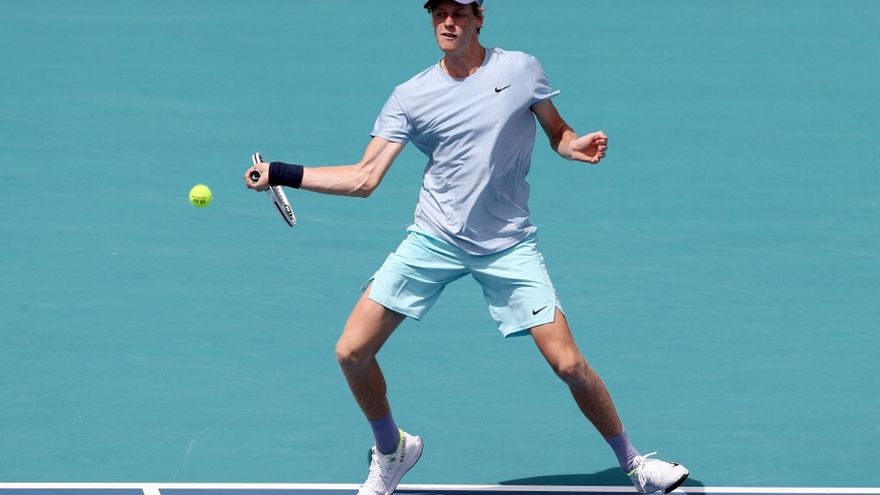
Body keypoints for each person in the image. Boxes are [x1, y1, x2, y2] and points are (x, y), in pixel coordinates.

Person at [244, 1, 688, 493]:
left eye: (458, 12)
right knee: (351, 351)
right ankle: (392, 450)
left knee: (568, 363)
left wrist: (572, 145)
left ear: (479, 18)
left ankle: (635, 465)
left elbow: (557, 130)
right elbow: (364, 178)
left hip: (507, 244)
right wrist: (281, 172)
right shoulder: (411, 96)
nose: (448, 22)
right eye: (439, 13)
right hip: (435, 237)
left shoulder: (521, 69)